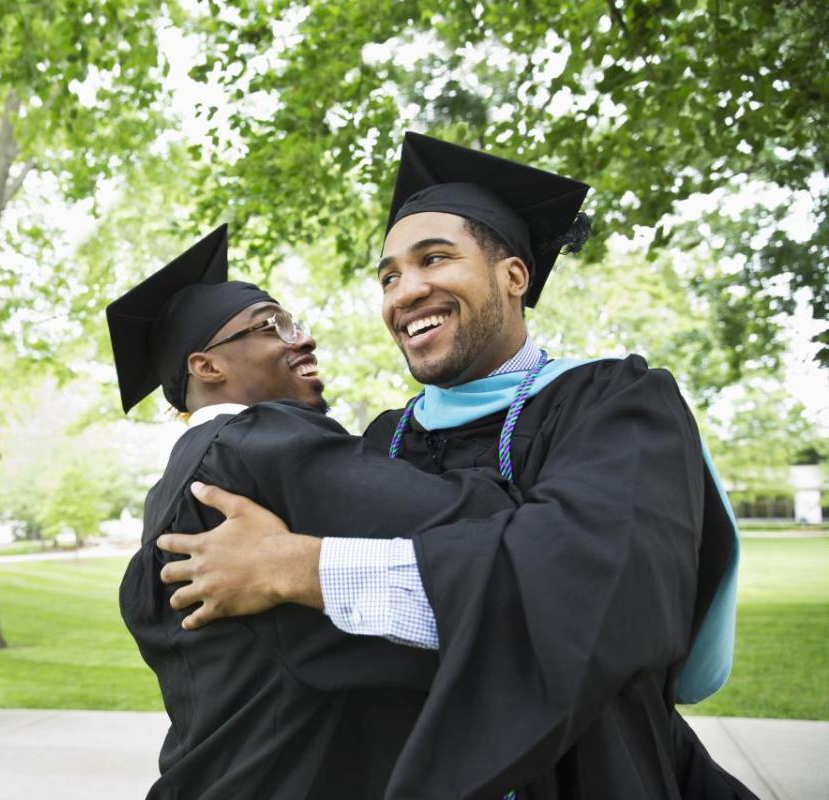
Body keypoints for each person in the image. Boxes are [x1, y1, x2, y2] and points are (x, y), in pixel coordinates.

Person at [156, 134, 754, 799]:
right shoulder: (385, 439)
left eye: (434, 259)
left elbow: (600, 588)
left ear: (514, 276)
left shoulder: (615, 402)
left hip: (592, 770)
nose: (406, 291)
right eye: (388, 276)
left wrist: (297, 567)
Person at [107, 224, 523, 798]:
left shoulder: (173, 491)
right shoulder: (258, 441)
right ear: (207, 368)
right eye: (271, 326)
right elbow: (462, 521)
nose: (301, 340)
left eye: (293, 322)